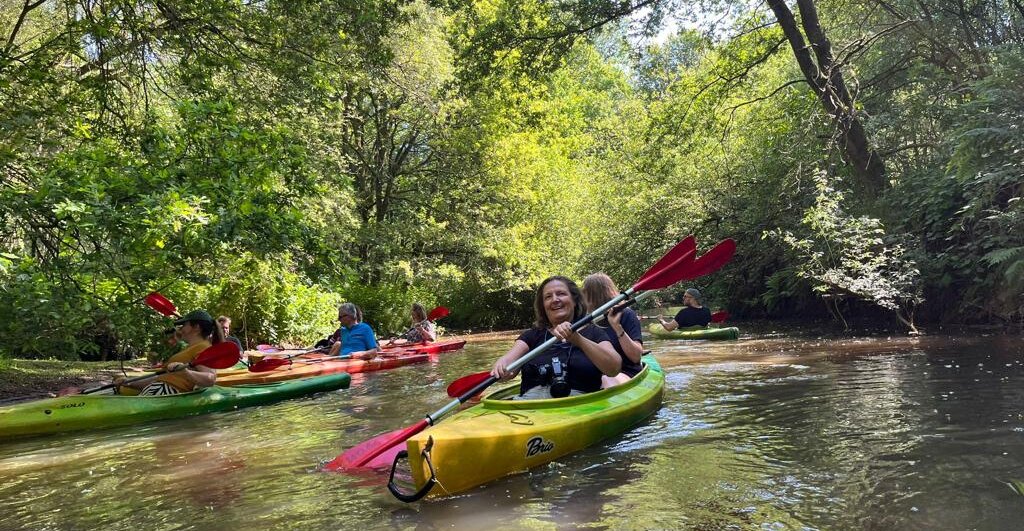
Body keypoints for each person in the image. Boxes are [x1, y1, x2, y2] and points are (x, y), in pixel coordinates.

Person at [491, 276, 621, 399]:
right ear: (543, 306)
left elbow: (614, 368)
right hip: (530, 405)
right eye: (548, 297)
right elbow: (510, 366)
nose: (555, 299)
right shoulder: (532, 335)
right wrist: (503, 365)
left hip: (579, 404)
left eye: (561, 294)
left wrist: (578, 340)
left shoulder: (594, 333)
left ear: (574, 300)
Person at [119, 310, 222, 396]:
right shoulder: (191, 348)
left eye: (184, 325)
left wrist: (186, 371)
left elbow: (210, 378)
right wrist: (129, 382)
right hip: (159, 388)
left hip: (166, 391)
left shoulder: (203, 347)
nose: (181, 329)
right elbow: (162, 378)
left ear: (196, 328)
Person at [582, 273, 645, 387]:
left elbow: (636, 357)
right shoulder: (585, 320)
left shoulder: (625, 314)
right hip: (592, 375)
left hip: (623, 373)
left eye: (585, 293)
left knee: (607, 379)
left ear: (594, 295)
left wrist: (617, 327)